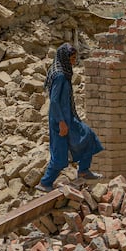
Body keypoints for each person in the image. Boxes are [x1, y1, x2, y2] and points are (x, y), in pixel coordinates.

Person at [36, 43, 104, 192]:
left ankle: (84, 170)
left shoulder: (61, 70)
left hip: (69, 117)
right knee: (59, 156)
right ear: (65, 58)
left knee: (89, 136)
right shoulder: (60, 75)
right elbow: (54, 101)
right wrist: (61, 122)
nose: (74, 61)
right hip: (60, 119)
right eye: (72, 58)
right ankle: (45, 183)